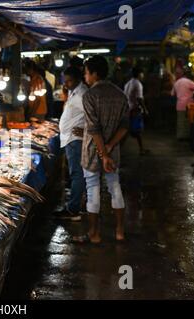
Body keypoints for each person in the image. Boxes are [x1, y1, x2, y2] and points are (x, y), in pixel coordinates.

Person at [73, 55, 129, 244]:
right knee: (115, 187)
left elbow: (95, 128)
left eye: (86, 73)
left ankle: (94, 234)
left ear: (95, 74)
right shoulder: (120, 94)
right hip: (112, 151)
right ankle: (120, 232)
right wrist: (110, 147)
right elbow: (124, 126)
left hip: (92, 151)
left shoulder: (90, 95)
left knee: (92, 190)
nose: (85, 77)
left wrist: (103, 154)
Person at [54, 66, 88, 221]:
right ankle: (75, 205)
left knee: (77, 174)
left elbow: (93, 116)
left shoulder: (82, 94)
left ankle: (73, 209)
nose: (66, 83)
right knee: (75, 174)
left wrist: (86, 131)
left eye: (69, 81)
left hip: (75, 141)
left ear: (77, 79)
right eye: (64, 80)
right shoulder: (74, 92)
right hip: (69, 139)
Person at [124, 67, 150, 155]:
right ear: (139, 74)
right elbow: (139, 98)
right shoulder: (138, 84)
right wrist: (145, 109)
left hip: (127, 109)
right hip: (134, 109)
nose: (143, 75)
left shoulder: (128, 83)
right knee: (135, 130)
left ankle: (141, 149)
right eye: (142, 73)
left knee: (131, 130)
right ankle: (141, 149)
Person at [172, 68, 194, 140]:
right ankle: (187, 137)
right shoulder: (189, 82)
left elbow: (172, 94)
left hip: (179, 105)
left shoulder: (176, 82)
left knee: (180, 121)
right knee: (189, 121)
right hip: (189, 104)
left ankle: (180, 136)